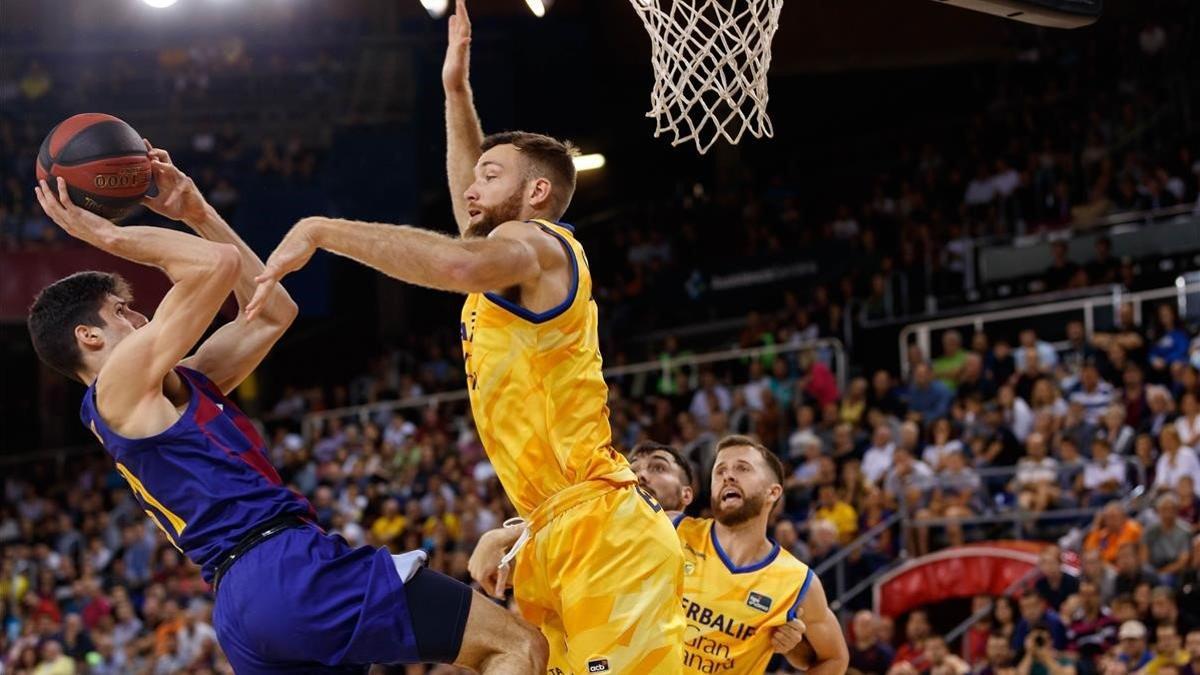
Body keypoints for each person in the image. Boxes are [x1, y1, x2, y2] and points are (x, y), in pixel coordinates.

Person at [253, 2, 688, 671]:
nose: (474, 186)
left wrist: (322, 229)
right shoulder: (506, 256)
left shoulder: (537, 245)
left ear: (537, 191)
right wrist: (456, 93)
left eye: (494, 174)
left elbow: (457, 258)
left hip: (606, 533)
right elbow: (468, 222)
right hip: (550, 528)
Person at [28, 155, 543, 673]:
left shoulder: (173, 387)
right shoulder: (114, 385)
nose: (139, 315)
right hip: (287, 568)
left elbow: (273, 311)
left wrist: (198, 211)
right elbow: (214, 265)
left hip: (245, 606)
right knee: (515, 647)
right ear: (88, 337)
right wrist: (107, 235)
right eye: (120, 311)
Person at [628, 440, 695, 518]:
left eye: (658, 468)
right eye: (632, 472)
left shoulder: (703, 529)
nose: (640, 475)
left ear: (686, 495)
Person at [849, 610, 895, 675]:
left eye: (866, 624)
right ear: (853, 627)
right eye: (858, 623)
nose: (861, 626)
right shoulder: (847, 650)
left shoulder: (885, 652)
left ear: (875, 626)